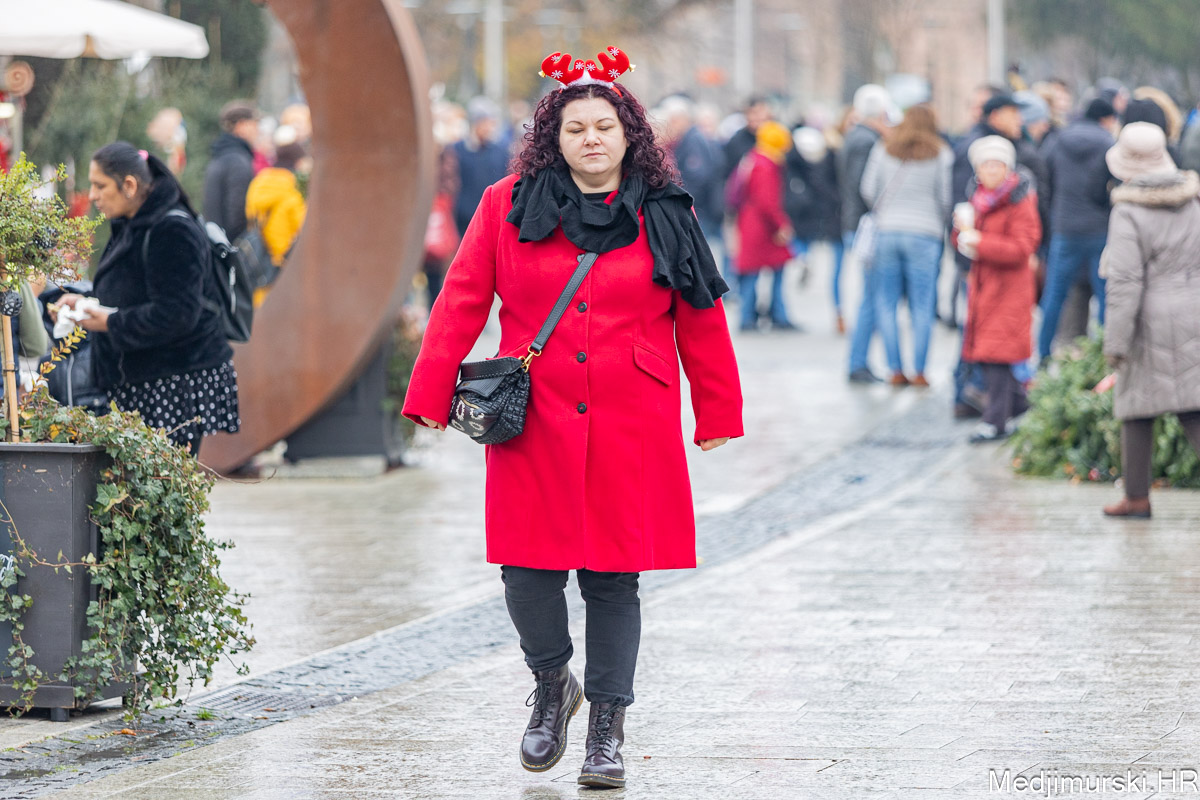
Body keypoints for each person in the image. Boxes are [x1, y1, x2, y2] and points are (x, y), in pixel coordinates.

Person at [400, 52, 743, 789]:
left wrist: (717, 408)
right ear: (553, 137)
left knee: (614, 578)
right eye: (576, 127)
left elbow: (701, 314)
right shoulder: (506, 202)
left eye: (604, 126)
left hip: (633, 418)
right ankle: (553, 683)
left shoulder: (666, 209)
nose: (591, 138)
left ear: (629, 134)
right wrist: (429, 391)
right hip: (534, 417)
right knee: (526, 569)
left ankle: (607, 729)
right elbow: (462, 297)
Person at [53, 142, 239, 453]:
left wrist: (111, 322)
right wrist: (85, 300)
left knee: (163, 478)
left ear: (129, 185)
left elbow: (177, 313)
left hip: (173, 380)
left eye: (100, 185)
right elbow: (132, 289)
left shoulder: (172, 229)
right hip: (145, 377)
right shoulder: (131, 222)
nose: (93, 195)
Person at [1099, 123, 1200, 518]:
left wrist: (1115, 343)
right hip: (1194, 309)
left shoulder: (1128, 210)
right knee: (1191, 403)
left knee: (1136, 404)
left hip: (1149, 316)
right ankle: (1136, 495)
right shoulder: (1192, 199)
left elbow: (1125, 281)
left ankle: (1137, 498)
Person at [953, 136, 1041, 442]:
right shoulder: (978, 200)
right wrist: (961, 234)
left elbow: (1022, 247)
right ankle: (1020, 407)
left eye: (997, 165)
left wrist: (980, 242)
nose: (991, 170)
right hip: (985, 288)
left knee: (997, 356)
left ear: (1008, 168)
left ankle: (995, 421)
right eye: (986, 165)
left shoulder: (1020, 201)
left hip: (1009, 290)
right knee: (989, 354)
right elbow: (968, 243)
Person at [860, 105, 952, 387]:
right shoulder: (941, 154)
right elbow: (945, 197)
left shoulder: (883, 149)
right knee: (922, 306)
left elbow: (868, 189)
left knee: (886, 303)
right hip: (925, 233)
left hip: (887, 231)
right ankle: (921, 371)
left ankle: (895, 370)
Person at [1038, 97, 1117, 362]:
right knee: (1105, 296)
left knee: (1054, 294)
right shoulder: (1107, 142)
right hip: (1099, 229)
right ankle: (1103, 358)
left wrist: (1054, 213)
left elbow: (1045, 178)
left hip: (1065, 226)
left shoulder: (1058, 139)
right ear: (1105, 119)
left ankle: (1043, 356)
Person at [839, 84, 894, 383]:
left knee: (871, 296)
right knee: (872, 297)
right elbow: (865, 187)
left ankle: (860, 361)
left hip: (857, 223)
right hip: (866, 225)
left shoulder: (856, 135)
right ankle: (858, 362)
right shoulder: (866, 140)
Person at [734, 121, 796, 331]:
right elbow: (767, 201)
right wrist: (781, 225)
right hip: (762, 227)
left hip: (751, 222)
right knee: (771, 270)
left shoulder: (753, 159)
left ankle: (750, 316)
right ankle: (773, 315)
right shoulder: (766, 165)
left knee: (752, 271)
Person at [786, 126, 844, 332]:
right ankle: (840, 313)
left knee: (802, 240)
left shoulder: (794, 160)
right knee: (837, 268)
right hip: (825, 213)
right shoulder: (826, 158)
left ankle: (802, 257)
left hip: (809, 210)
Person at [244, 142, 308, 307]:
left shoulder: (257, 185)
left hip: (257, 256)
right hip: (280, 263)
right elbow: (303, 227)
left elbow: (249, 214)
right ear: (295, 162)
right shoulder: (291, 194)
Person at [452, 96, 511, 238]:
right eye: (485, 123)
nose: (489, 128)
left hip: (492, 216)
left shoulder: (501, 150)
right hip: (463, 217)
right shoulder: (457, 149)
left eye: (491, 123)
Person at [203, 100, 259, 242]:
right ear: (241, 125)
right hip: (231, 245)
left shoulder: (221, 155)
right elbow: (237, 214)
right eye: (254, 123)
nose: (257, 130)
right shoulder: (237, 161)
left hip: (218, 243)